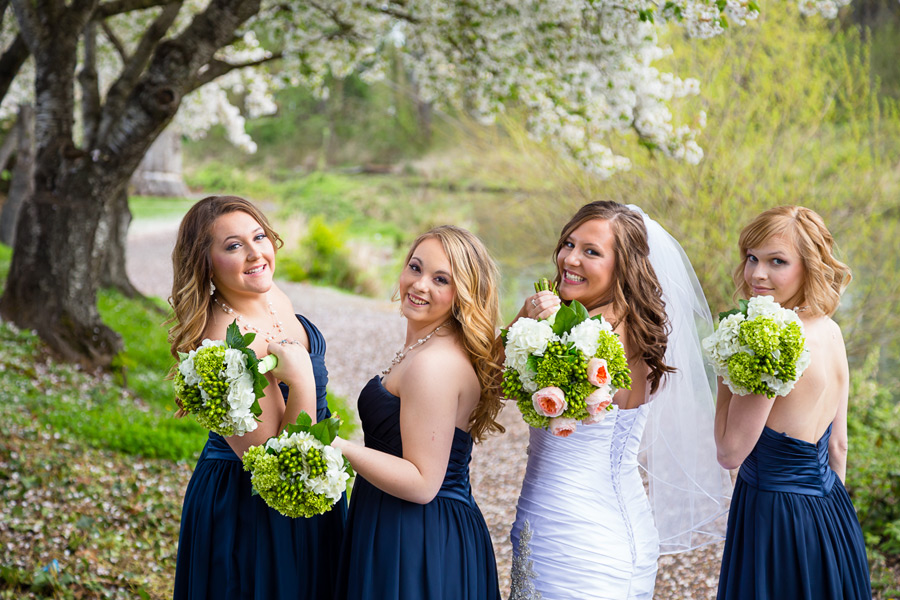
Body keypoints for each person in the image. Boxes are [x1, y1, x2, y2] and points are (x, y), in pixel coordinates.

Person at [508, 201, 732, 600]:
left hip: (585, 540)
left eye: (591, 252)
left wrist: (525, 324)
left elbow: (490, 383)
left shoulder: (597, 337)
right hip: (556, 522)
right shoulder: (608, 321)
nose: (570, 259)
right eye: (568, 244)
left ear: (623, 266)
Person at [169, 195, 346, 600]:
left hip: (312, 483)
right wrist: (301, 380)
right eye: (233, 246)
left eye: (260, 237)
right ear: (206, 262)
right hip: (251, 507)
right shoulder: (220, 346)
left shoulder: (268, 293)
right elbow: (276, 462)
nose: (256, 254)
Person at [332, 225, 503, 600]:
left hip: (417, 539)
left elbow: (424, 483)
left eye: (440, 279)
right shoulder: (433, 343)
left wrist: (334, 445)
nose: (419, 285)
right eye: (415, 267)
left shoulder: (434, 365)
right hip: (396, 520)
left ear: (464, 294)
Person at [715, 206, 870, 599]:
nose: (757, 274)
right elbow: (838, 445)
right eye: (752, 258)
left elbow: (731, 452)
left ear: (809, 267)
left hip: (774, 516)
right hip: (832, 510)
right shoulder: (830, 330)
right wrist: (827, 525)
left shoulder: (771, 339)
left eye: (777, 262)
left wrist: (725, 371)